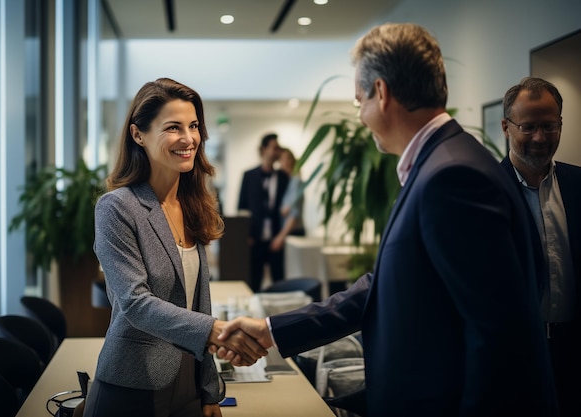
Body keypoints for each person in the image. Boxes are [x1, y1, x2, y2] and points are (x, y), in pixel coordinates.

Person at [215, 23, 557, 416]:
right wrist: (273, 330)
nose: (360, 115)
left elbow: (498, 334)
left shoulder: (451, 176)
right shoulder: (441, 164)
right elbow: (382, 288)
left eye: (359, 100)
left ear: (381, 92)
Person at [83, 78, 266, 417]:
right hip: (133, 383)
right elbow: (135, 304)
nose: (188, 138)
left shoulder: (193, 204)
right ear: (138, 135)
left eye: (194, 126)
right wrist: (215, 331)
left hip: (189, 383)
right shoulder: (117, 207)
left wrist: (209, 391)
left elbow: (199, 302)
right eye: (173, 127)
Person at [500, 76, 581, 417]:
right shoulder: (485, 191)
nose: (539, 138)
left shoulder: (578, 184)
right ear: (506, 126)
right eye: (528, 127)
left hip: (576, 351)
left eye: (549, 127)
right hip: (515, 356)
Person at [237, 133, 289, 292]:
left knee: (279, 279)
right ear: (263, 149)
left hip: (276, 237)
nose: (277, 152)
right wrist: (246, 234)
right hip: (255, 238)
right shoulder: (249, 176)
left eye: (279, 149)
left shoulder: (283, 177)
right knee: (254, 279)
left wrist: (281, 236)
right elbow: (242, 206)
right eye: (274, 148)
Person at [270, 148, 305, 253]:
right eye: (281, 159)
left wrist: (281, 237)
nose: (283, 162)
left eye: (286, 159)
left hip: (293, 232)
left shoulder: (296, 181)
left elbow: (294, 214)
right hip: (288, 232)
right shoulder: (287, 182)